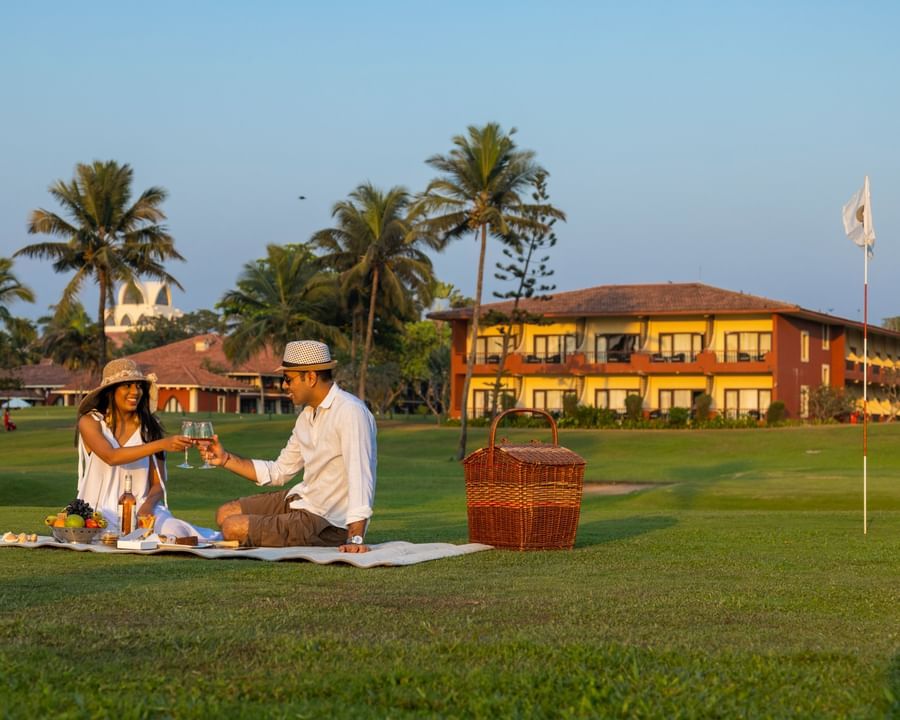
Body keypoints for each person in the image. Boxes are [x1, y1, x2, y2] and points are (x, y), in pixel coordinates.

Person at [200, 340, 376, 552]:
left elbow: (360, 476)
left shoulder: (350, 412)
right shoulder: (306, 416)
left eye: (288, 378)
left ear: (311, 377)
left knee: (232, 528)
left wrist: (355, 538)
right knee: (225, 513)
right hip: (301, 500)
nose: (284, 385)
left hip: (327, 522)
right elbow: (279, 471)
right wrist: (225, 458)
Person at [76, 358, 221, 540]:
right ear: (110, 392)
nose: (135, 392)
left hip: (144, 508)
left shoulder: (150, 427)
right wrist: (162, 444)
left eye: (138, 386)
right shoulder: (90, 422)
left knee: (177, 532)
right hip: (99, 511)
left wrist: (147, 506)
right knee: (110, 537)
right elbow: (111, 456)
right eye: (127, 386)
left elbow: (158, 483)